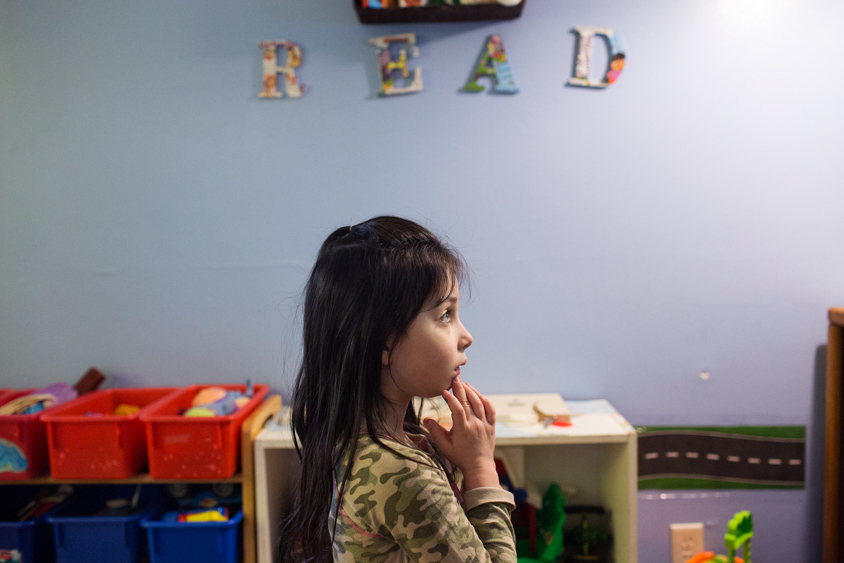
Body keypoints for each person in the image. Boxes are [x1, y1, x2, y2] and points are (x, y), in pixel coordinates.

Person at [278, 216, 517, 563]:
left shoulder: (355, 440)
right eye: (445, 315)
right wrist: (481, 468)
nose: (466, 337)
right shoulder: (404, 474)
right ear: (383, 344)